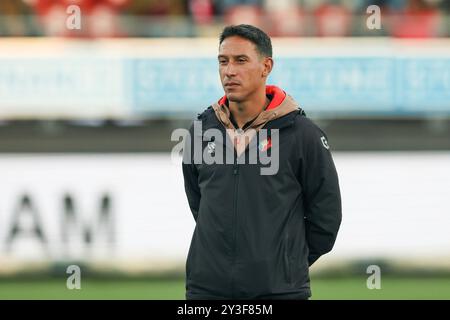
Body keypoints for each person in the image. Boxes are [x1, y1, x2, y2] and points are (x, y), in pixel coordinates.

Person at [182, 24, 342, 300]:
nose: (229, 71)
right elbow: (199, 203)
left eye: (241, 60)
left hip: (279, 291)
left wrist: (285, 264)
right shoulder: (199, 131)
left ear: (266, 66)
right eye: (223, 61)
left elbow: (326, 217)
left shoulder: (303, 134)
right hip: (207, 291)